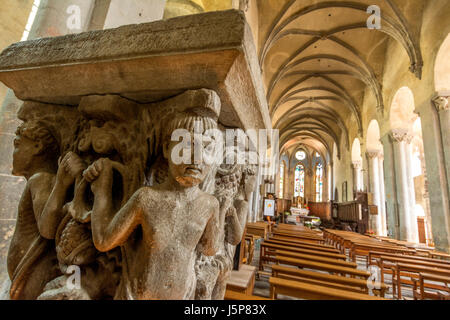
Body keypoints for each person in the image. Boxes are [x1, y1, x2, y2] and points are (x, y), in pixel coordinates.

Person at [83, 111, 220, 300]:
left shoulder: (209, 204)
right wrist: (102, 189)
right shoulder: (147, 198)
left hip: (183, 295)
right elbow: (104, 240)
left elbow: (210, 249)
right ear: (166, 149)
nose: (197, 158)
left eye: (207, 148)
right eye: (187, 145)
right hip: (138, 294)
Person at [7, 121, 62, 299]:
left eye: (17, 145)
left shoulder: (41, 179)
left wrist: (63, 183)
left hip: (36, 271)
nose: (13, 153)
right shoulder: (39, 180)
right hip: (30, 274)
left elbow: (47, 228)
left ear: (37, 147)